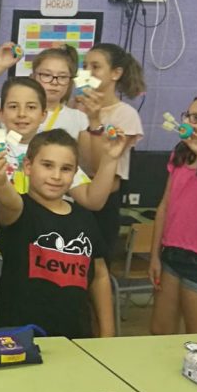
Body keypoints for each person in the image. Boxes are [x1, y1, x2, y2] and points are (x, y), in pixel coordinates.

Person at [0, 44, 122, 330]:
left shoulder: (52, 151)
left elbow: (92, 199)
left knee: (27, 323)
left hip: (38, 256)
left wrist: (110, 160)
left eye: (31, 107)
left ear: (43, 114)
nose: (22, 114)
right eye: (13, 107)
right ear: (0, 113)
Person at [0, 129, 116, 338]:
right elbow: (8, 200)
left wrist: (107, 333)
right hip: (18, 338)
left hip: (75, 337)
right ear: (28, 167)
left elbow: (99, 274)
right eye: (47, 165)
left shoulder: (85, 218)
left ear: (75, 173)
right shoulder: (19, 210)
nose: (56, 176)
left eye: (66, 169)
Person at [150, 94, 197, 335]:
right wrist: (154, 255)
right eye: (187, 115)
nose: (187, 122)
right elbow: (165, 205)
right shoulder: (181, 154)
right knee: (159, 330)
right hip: (172, 253)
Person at [76, 43, 145, 254]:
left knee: (97, 264)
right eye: (85, 66)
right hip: (71, 195)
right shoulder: (74, 107)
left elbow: (98, 166)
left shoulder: (126, 114)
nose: (88, 72)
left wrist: (95, 120)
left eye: (96, 67)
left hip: (103, 201)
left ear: (116, 73)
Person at [0, 45, 88, 137]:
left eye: (62, 77)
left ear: (70, 81)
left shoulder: (79, 119)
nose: (54, 82)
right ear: (32, 77)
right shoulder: (12, 105)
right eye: (46, 75)